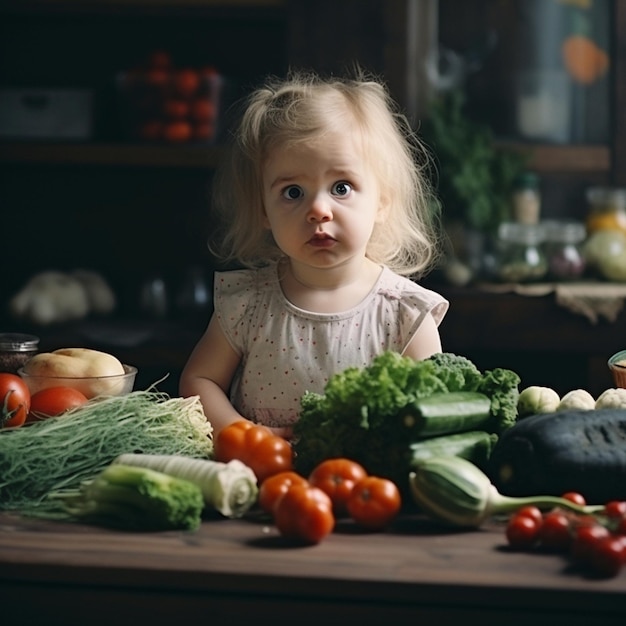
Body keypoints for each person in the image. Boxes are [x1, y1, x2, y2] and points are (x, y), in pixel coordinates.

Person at [179, 70, 449, 440]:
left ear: (382, 202)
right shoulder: (248, 304)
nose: (318, 209)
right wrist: (248, 435)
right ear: (262, 210)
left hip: (365, 487)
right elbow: (200, 380)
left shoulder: (404, 313)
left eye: (341, 187)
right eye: (293, 192)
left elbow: (436, 415)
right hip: (263, 479)